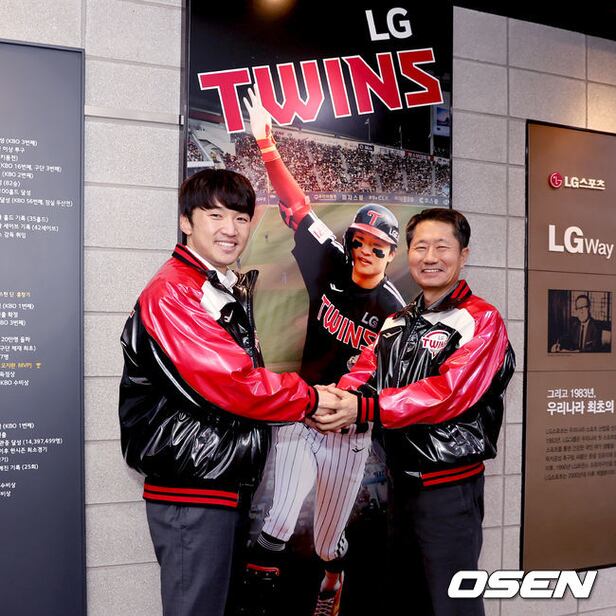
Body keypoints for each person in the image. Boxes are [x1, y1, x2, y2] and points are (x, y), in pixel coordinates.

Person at [118, 168, 340, 616]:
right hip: (194, 487)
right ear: (186, 221)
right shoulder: (175, 292)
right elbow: (235, 384)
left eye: (240, 218)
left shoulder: (212, 284)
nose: (231, 229)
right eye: (215, 215)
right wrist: (314, 400)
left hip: (216, 481)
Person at [242, 88, 405, 616]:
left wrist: (342, 401)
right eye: (358, 241)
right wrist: (267, 144)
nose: (364, 251)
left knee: (328, 541)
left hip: (349, 430)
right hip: (302, 410)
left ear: (390, 254)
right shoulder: (332, 260)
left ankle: (333, 578)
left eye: (377, 247)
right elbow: (296, 207)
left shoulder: (394, 310)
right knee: (279, 519)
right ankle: (258, 606)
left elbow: (374, 370)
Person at [312, 208, 515, 616]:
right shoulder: (396, 321)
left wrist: (364, 407)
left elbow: (448, 394)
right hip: (400, 487)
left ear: (463, 255)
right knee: (405, 602)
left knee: (452, 606)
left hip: (448, 492)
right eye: (421, 247)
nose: (430, 257)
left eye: (442, 247)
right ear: (408, 254)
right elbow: (365, 373)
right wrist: (329, 399)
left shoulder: (482, 320)